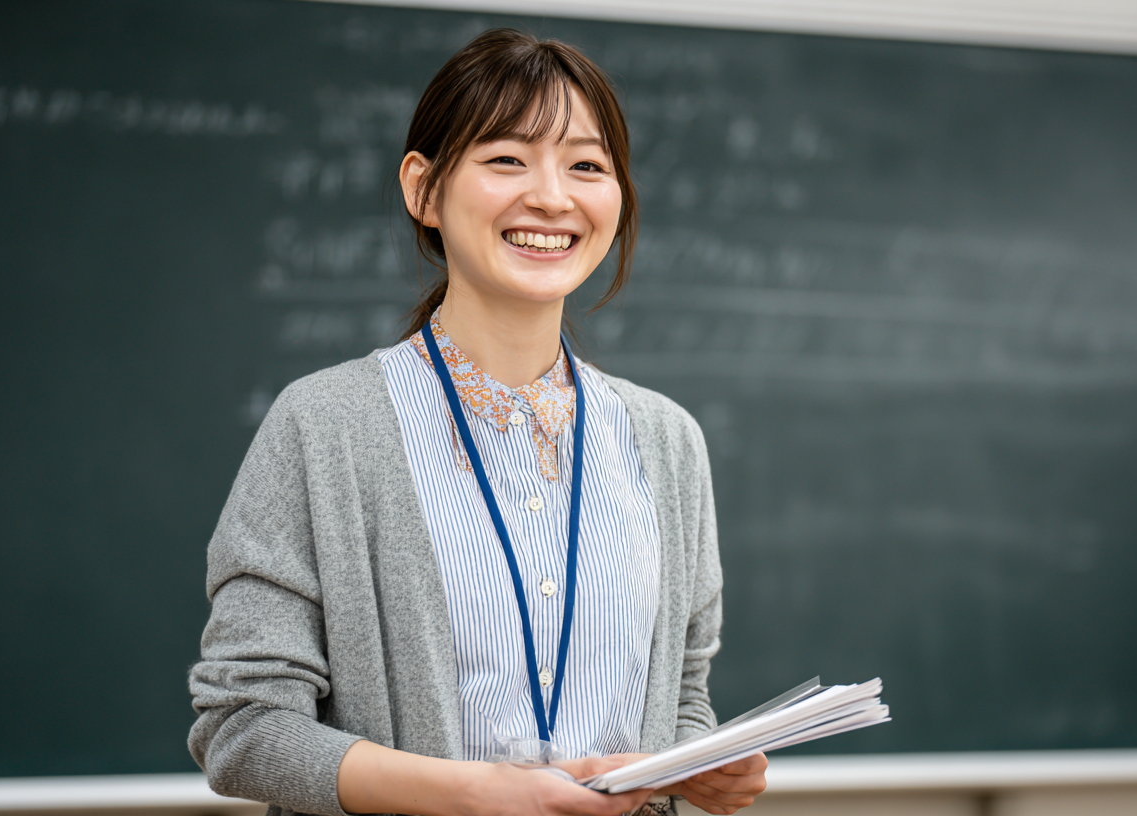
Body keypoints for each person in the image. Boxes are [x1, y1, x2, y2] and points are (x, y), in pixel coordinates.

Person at [188, 28, 767, 816]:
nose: (553, 197)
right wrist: (470, 794)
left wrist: (699, 763)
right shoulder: (325, 427)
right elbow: (246, 729)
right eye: (507, 159)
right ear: (423, 188)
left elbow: (683, 696)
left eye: (587, 166)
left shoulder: (665, 441)